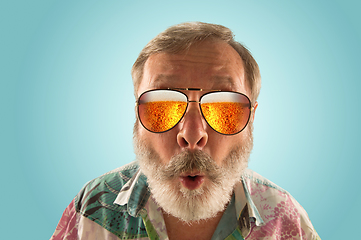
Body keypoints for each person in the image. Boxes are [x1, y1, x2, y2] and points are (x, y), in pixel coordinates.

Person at [51, 22, 320, 240]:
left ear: (251, 118)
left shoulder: (286, 222)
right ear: (136, 113)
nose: (192, 136)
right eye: (162, 106)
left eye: (224, 107)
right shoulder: (93, 209)